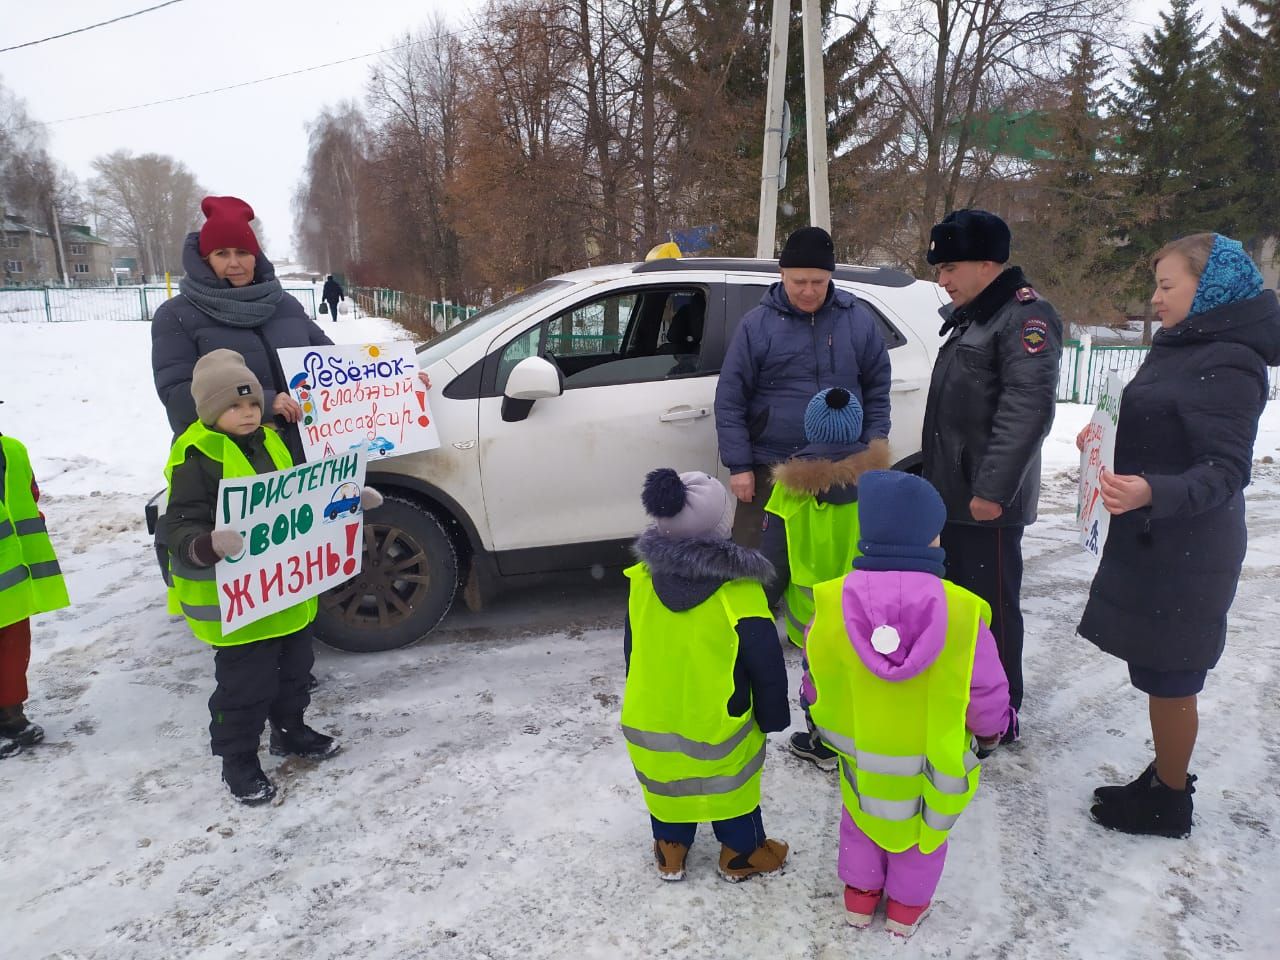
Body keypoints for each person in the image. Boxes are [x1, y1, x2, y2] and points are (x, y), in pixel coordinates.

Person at [1079, 233, 1280, 838]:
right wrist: (1101, 446)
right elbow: (1154, 423)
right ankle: (1165, 775)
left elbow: (1225, 472)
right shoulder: (1186, 347)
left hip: (1186, 546)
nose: (1155, 298)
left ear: (1209, 288)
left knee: (1173, 677)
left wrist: (1149, 491)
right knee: (1158, 669)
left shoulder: (1230, 362)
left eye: (1167, 286)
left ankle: (1170, 800)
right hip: (1157, 539)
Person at [164, 350, 379, 804]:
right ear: (209, 410)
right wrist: (205, 544)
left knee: (295, 672)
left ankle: (290, 730)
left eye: (252, 405)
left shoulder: (271, 439)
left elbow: (300, 495)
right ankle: (238, 761)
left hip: (285, 592)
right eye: (234, 406)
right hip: (236, 602)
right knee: (246, 686)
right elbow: (177, 524)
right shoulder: (194, 455)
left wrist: (349, 501)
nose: (247, 414)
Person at [804, 470, 1013, 937]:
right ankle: (905, 909)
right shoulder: (962, 611)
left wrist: (815, 709)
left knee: (861, 821)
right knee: (923, 836)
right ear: (932, 538)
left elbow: (816, 668)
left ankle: (858, 900)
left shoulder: (833, 601)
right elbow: (985, 689)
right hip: (931, 758)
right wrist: (990, 731)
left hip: (863, 752)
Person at [920, 209, 1062, 741]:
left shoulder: (1025, 318)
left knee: (993, 611)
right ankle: (969, 700)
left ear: (987, 263)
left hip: (986, 505)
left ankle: (1000, 715)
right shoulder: (977, 316)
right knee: (961, 605)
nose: (943, 279)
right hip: (955, 495)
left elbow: (1027, 410)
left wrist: (992, 491)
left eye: (950, 266)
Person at [622, 467, 790, 882]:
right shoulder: (740, 593)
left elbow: (633, 648)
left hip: (653, 716)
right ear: (723, 526)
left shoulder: (641, 583)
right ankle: (741, 852)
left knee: (668, 788)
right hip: (719, 722)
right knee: (732, 790)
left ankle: (671, 850)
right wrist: (772, 717)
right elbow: (765, 662)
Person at [714, 226, 892, 548]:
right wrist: (740, 467)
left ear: (830, 277)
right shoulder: (756, 326)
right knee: (757, 568)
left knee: (833, 564)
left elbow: (878, 390)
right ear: (782, 274)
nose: (809, 291)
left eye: (818, 282)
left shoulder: (857, 320)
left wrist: (873, 449)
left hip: (842, 468)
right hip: (772, 466)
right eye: (800, 282)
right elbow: (731, 399)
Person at [151, 196, 335, 464]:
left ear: (256, 256)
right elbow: (178, 398)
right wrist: (261, 402)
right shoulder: (176, 315)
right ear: (205, 259)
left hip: (302, 458)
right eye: (222, 253)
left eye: (243, 252)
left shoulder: (285, 305)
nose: (234, 263)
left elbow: (334, 365)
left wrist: (402, 383)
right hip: (228, 467)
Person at [761, 387, 889, 770]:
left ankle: (824, 742)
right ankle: (867, 737)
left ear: (810, 429)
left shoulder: (787, 493)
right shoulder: (879, 486)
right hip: (868, 610)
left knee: (818, 678)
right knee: (865, 674)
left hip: (813, 614)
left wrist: (763, 601)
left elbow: (774, 558)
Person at [0, 424, 70, 759]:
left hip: (12, 574)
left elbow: (29, 495)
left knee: (14, 649)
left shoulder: (13, 449)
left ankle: (11, 713)